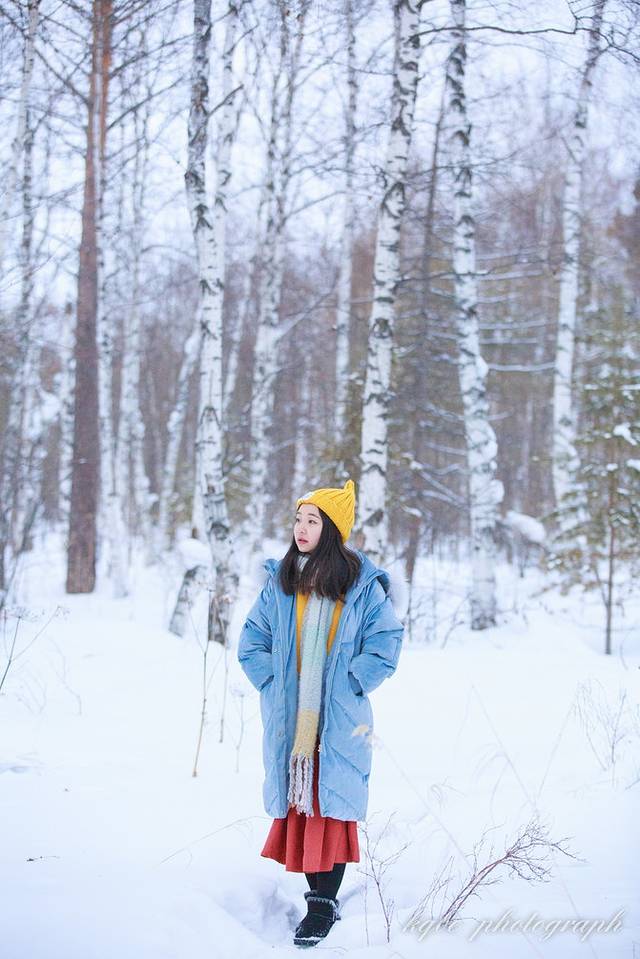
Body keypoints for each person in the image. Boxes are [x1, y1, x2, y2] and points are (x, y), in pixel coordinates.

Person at [237, 478, 404, 947]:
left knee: (332, 801)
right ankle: (314, 895)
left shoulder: (361, 585)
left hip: (338, 716)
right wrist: (272, 680)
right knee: (300, 800)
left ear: (332, 529)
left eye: (312, 521)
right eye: (298, 519)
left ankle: (322, 904)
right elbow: (253, 641)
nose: (301, 528)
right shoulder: (281, 582)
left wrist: (354, 681)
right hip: (292, 719)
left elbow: (386, 641)